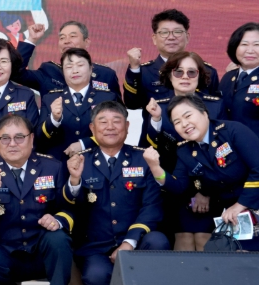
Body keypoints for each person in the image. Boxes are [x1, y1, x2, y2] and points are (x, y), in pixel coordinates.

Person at [63, 101, 169, 285]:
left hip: (136, 240)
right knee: (96, 276)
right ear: (92, 128)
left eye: (117, 121)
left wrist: (129, 242)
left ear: (127, 126)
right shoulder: (80, 161)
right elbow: (71, 207)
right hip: (96, 246)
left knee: (158, 241)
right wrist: (74, 180)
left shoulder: (143, 159)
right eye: (103, 122)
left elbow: (152, 207)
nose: (110, 127)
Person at [144, 94, 259, 251]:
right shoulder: (185, 151)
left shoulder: (233, 131)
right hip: (233, 216)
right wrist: (155, 168)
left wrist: (240, 205)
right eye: (177, 122)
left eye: (188, 116)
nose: (184, 124)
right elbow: (179, 186)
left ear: (204, 113)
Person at [0, 114, 74, 285]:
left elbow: (67, 207)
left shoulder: (52, 167)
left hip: (42, 247)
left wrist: (57, 220)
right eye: (5, 138)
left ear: (31, 138)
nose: (12, 143)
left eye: (19, 137)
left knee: (59, 240)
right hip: (6, 250)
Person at [124, 9, 220, 139]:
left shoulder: (207, 71)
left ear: (187, 37)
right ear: (154, 38)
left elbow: (214, 109)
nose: (171, 37)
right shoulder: (143, 71)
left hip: (198, 142)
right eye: (164, 32)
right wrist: (134, 69)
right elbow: (132, 104)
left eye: (177, 32)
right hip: (155, 142)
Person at [36, 48, 118, 159]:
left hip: (96, 162)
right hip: (59, 164)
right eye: (69, 67)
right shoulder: (50, 98)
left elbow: (116, 132)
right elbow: (39, 138)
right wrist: (54, 119)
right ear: (63, 72)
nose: (75, 71)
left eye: (80, 65)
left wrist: (84, 144)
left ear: (90, 69)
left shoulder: (107, 98)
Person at [15, 20, 121, 99]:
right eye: (62, 38)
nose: (66, 41)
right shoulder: (49, 72)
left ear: (87, 42)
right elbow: (16, 73)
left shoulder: (106, 74)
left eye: (72, 36)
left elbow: (117, 110)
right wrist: (32, 39)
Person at [219, 22, 259, 134]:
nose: (250, 50)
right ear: (234, 47)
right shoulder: (228, 77)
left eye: (257, 45)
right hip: (228, 142)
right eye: (244, 44)